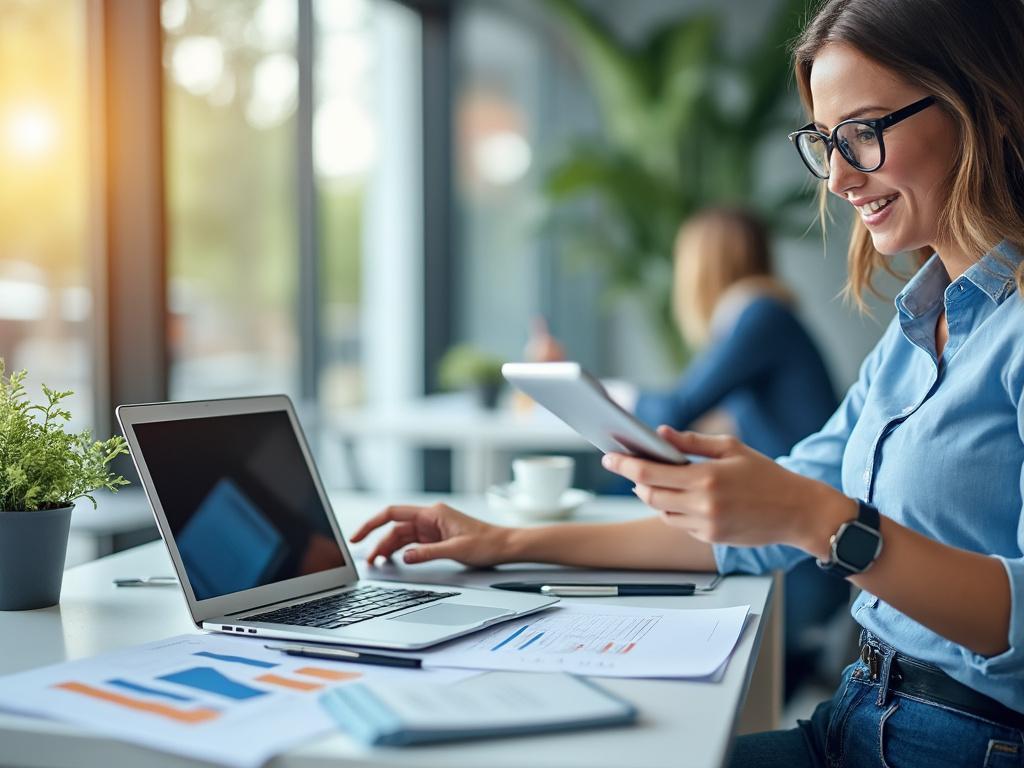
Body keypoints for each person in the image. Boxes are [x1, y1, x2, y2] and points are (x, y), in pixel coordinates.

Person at [351, 0, 1024, 764]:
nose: (838, 176)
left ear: (981, 106)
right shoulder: (909, 336)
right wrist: (504, 542)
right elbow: (747, 534)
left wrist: (818, 518)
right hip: (856, 715)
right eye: (827, 142)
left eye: (865, 132)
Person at [530, 206, 848, 698]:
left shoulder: (761, 315)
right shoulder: (761, 320)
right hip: (788, 547)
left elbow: (676, 408)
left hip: (801, 562)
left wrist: (585, 384)